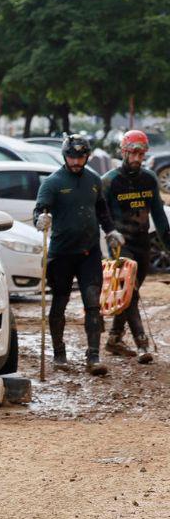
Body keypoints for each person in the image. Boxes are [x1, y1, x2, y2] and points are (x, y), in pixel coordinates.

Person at [34, 134, 124, 375]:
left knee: (93, 302)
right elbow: (40, 210)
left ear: (87, 156)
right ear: (65, 156)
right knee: (60, 301)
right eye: (71, 157)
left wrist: (111, 231)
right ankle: (59, 353)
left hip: (89, 253)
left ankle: (93, 356)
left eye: (80, 157)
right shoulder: (52, 182)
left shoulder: (94, 180)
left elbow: (102, 212)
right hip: (61, 254)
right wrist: (41, 220)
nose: (76, 161)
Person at [101, 129, 169, 364]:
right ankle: (142, 343)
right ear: (123, 152)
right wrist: (109, 233)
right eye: (133, 153)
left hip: (142, 242)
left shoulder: (149, 178)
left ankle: (114, 338)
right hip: (120, 244)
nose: (138, 159)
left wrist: (168, 245)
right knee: (130, 292)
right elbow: (100, 214)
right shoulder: (109, 181)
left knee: (129, 295)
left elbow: (159, 216)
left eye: (142, 154)